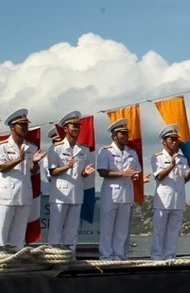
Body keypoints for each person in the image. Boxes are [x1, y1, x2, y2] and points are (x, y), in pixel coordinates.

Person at [45, 111, 95, 251]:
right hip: (60, 195)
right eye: (73, 126)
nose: (77, 129)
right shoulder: (56, 148)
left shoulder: (83, 149)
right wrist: (67, 166)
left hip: (76, 194)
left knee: (72, 230)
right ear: (65, 128)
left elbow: (81, 173)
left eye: (78, 126)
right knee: (56, 229)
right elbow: (52, 172)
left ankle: (69, 256)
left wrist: (85, 173)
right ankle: (53, 257)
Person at [96, 118, 143, 260]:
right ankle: (106, 255)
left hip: (126, 193)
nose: (125, 137)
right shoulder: (105, 151)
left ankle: (119, 254)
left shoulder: (132, 153)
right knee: (107, 227)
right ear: (114, 136)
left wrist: (135, 176)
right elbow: (102, 171)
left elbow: (137, 171)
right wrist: (122, 173)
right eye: (121, 134)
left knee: (122, 229)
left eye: (126, 134)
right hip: (110, 193)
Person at [150, 124, 190, 260]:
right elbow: (159, 176)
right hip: (163, 200)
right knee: (159, 231)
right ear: (164, 141)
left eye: (176, 139)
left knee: (173, 230)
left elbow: (185, 179)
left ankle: (170, 255)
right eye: (172, 139)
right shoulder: (157, 157)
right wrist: (172, 165)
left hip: (178, 199)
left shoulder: (182, 159)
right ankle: (157, 256)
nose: (175, 142)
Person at [0, 109, 44, 251]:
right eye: (22, 125)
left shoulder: (32, 147)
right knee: (2, 230)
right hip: (7, 195)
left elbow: (33, 171)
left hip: (24, 193)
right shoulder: (3, 146)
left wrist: (36, 163)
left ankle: (15, 257)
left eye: (26, 125)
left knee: (19, 233)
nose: (25, 128)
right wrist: (19, 159)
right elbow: (2, 167)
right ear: (13, 127)